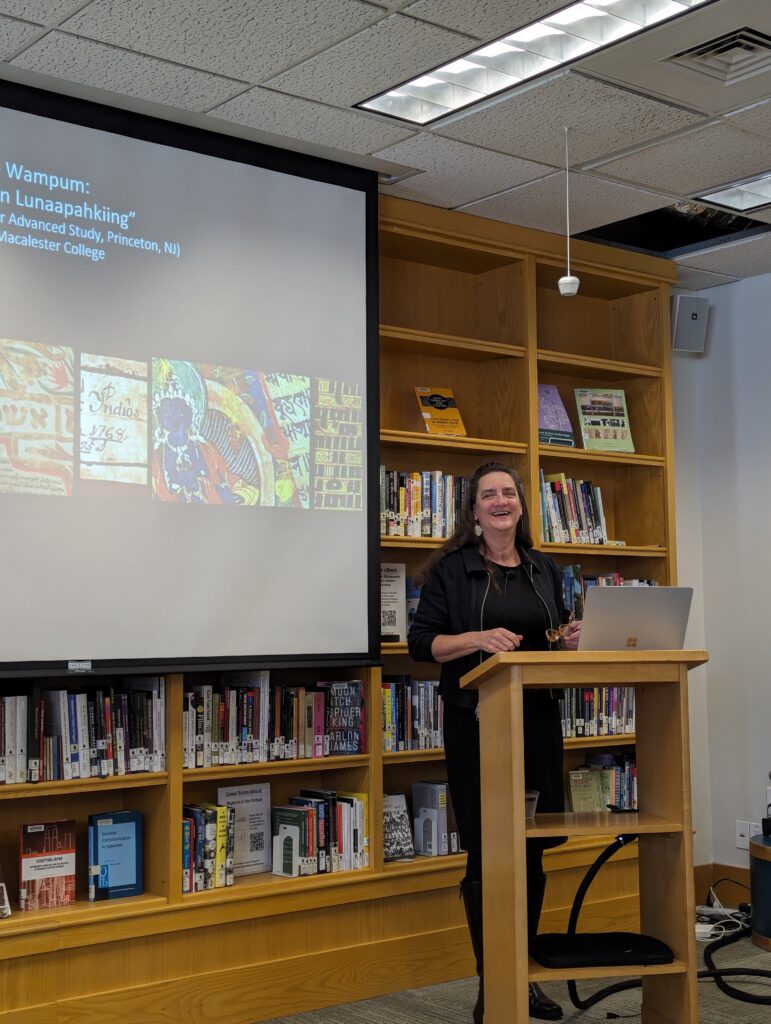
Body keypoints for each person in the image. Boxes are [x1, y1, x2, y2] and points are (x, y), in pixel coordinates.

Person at [408, 461, 581, 1023]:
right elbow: (421, 644)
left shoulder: (542, 569)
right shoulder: (451, 571)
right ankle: (492, 980)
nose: (501, 501)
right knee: (488, 852)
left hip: (537, 724)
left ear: (522, 505)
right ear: (474, 510)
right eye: (490, 494)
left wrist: (570, 643)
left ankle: (525, 977)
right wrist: (476, 639)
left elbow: (548, 646)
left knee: (530, 850)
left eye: (510, 492)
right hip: (477, 725)